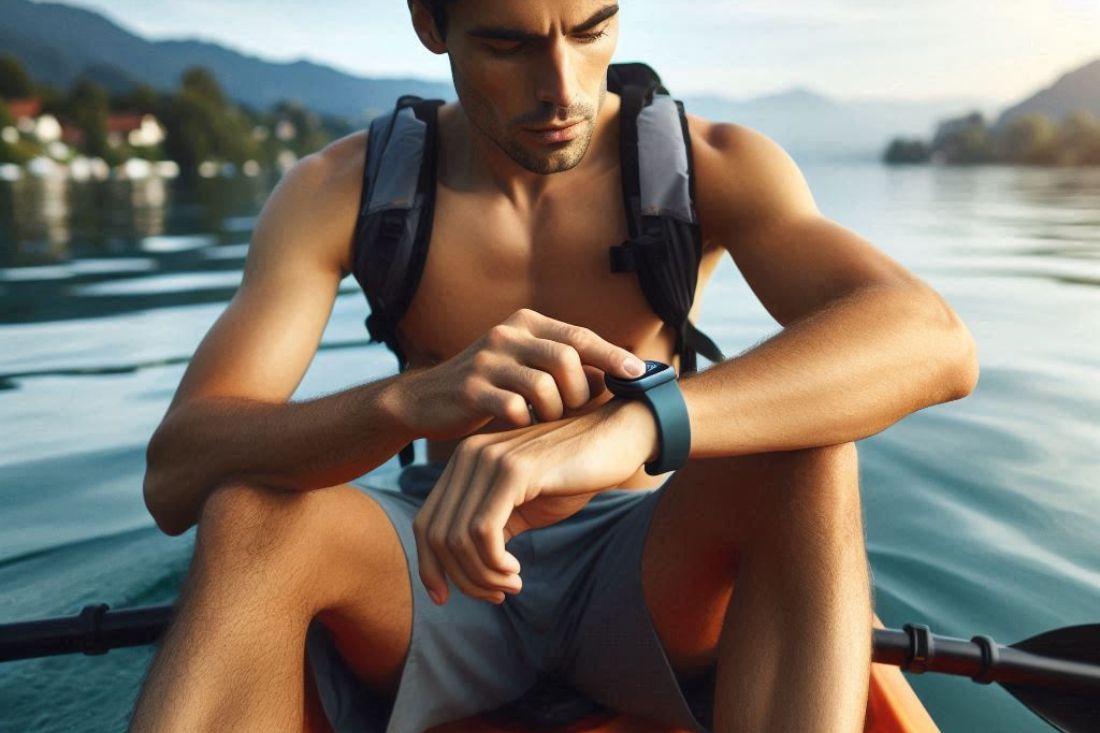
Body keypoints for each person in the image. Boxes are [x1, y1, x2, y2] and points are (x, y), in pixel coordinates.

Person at [128, 2, 979, 732]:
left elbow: (934, 340)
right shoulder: (340, 191)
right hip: (433, 570)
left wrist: (636, 425)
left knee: (812, 454)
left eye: (592, 28)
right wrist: (408, 400)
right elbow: (176, 474)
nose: (564, 89)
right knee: (245, 512)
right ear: (431, 22)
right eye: (508, 44)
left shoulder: (710, 166)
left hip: (647, 571)